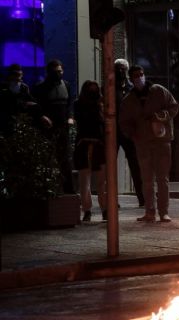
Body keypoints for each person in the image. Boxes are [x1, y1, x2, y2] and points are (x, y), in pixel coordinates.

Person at [119, 65, 179, 223]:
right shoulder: (129, 100)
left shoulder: (158, 91)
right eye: (136, 76)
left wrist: (162, 116)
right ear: (131, 79)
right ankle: (149, 211)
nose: (139, 78)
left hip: (162, 140)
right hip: (143, 143)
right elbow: (124, 122)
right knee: (146, 179)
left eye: (141, 74)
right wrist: (133, 135)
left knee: (162, 178)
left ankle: (164, 212)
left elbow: (174, 107)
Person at [32, 59, 76, 194]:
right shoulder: (40, 87)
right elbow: (35, 106)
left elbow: (69, 104)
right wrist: (42, 116)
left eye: (60, 71)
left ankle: (68, 190)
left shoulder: (66, 85)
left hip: (63, 126)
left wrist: (70, 117)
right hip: (48, 127)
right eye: (55, 72)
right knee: (48, 158)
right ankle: (49, 189)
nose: (58, 74)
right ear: (49, 72)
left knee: (65, 158)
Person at [73, 81, 106, 222]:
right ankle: (87, 210)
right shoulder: (79, 104)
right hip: (84, 143)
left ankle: (104, 209)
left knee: (101, 181)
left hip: (98, 144)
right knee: (84, 181)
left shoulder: (101, 104)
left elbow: (103, 123)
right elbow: (83, 120)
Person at [114, 59, 144, 207]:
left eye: (123, 69)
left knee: (136, 165)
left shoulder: (132, 88)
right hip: (114, 131)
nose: (120, 72)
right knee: (110, 167)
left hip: (129, 132)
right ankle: (113, 199)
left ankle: (142, 198)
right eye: (118, 69)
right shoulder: (109, 88)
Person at [0, 64, 37, 137]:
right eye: (16, 75)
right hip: (5, 119)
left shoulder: (24, 87)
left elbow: (30, 100)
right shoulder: (3, 86)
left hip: (20, 118)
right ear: (10, 75)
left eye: (20, 75)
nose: (18, 78)